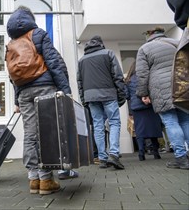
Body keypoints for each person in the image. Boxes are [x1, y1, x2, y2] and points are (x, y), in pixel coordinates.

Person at [6, 6, 77, 195]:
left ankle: (33, 179)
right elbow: (53, 62)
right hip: (44, 87)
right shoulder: (38, 34)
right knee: (46, 132)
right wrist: (65, 90)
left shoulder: (12, 43)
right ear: (29, 17)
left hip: (24, 93)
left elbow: (13, 76)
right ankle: (46, 180)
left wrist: (16, 101)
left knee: (30, 134)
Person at [135, 27, 189, 170]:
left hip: (161, 88)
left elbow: (142, 74)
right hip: (182, 84)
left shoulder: (145, 48)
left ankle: (181, 158)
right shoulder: (177, 42)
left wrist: (143, 93)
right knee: (185, 120)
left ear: (149, 35)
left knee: (171, 122)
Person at [77, 35, 126, 170]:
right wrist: (122, 94)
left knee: (98, 126)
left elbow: (79, 82)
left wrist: (83, 100)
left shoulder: (81, 61)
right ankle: (114, 154)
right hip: (109, 93)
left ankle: (103, 158)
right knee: (114, 122)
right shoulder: (108, 53)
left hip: (91, 97)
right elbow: (118, 76)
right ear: (101, 44)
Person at [125, 61, 163, 161]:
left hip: (136, 108)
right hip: (150, 106)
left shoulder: (128, 80)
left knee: (140, 131)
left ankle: (141, 154)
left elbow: (127, 96)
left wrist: (130, 111)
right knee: (153, 129)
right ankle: (156, 153)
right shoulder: (147, 77)